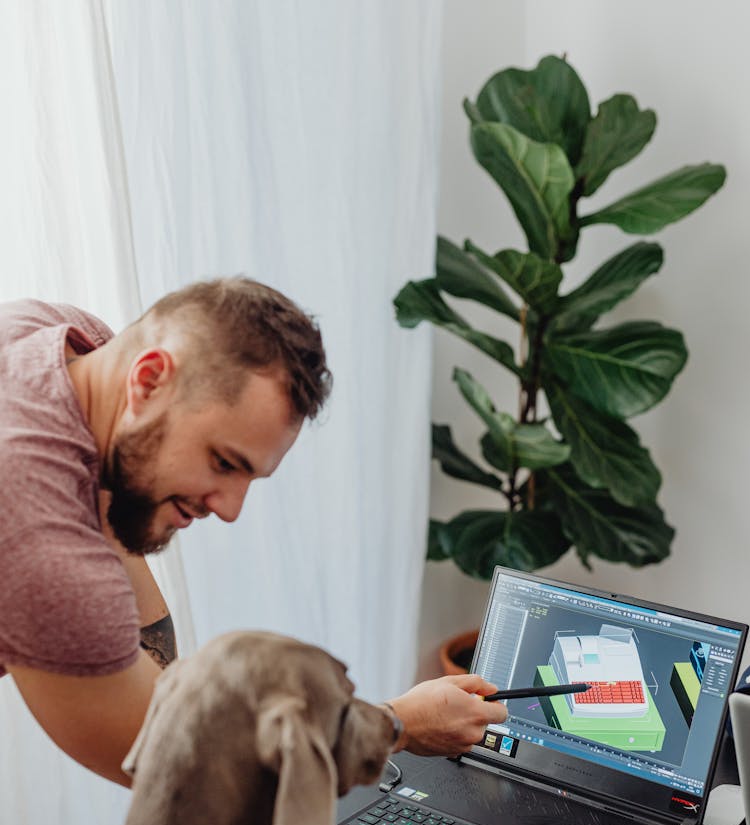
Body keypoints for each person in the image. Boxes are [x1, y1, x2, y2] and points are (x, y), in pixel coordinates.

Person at [0, 278, 507, 786]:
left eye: (249, 477)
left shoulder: (67, 342)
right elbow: (174, 761)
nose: (230, 509)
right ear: (148, 379)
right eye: (223, 462)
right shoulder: (39, 527)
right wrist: (401, 723)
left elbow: (161, 688)